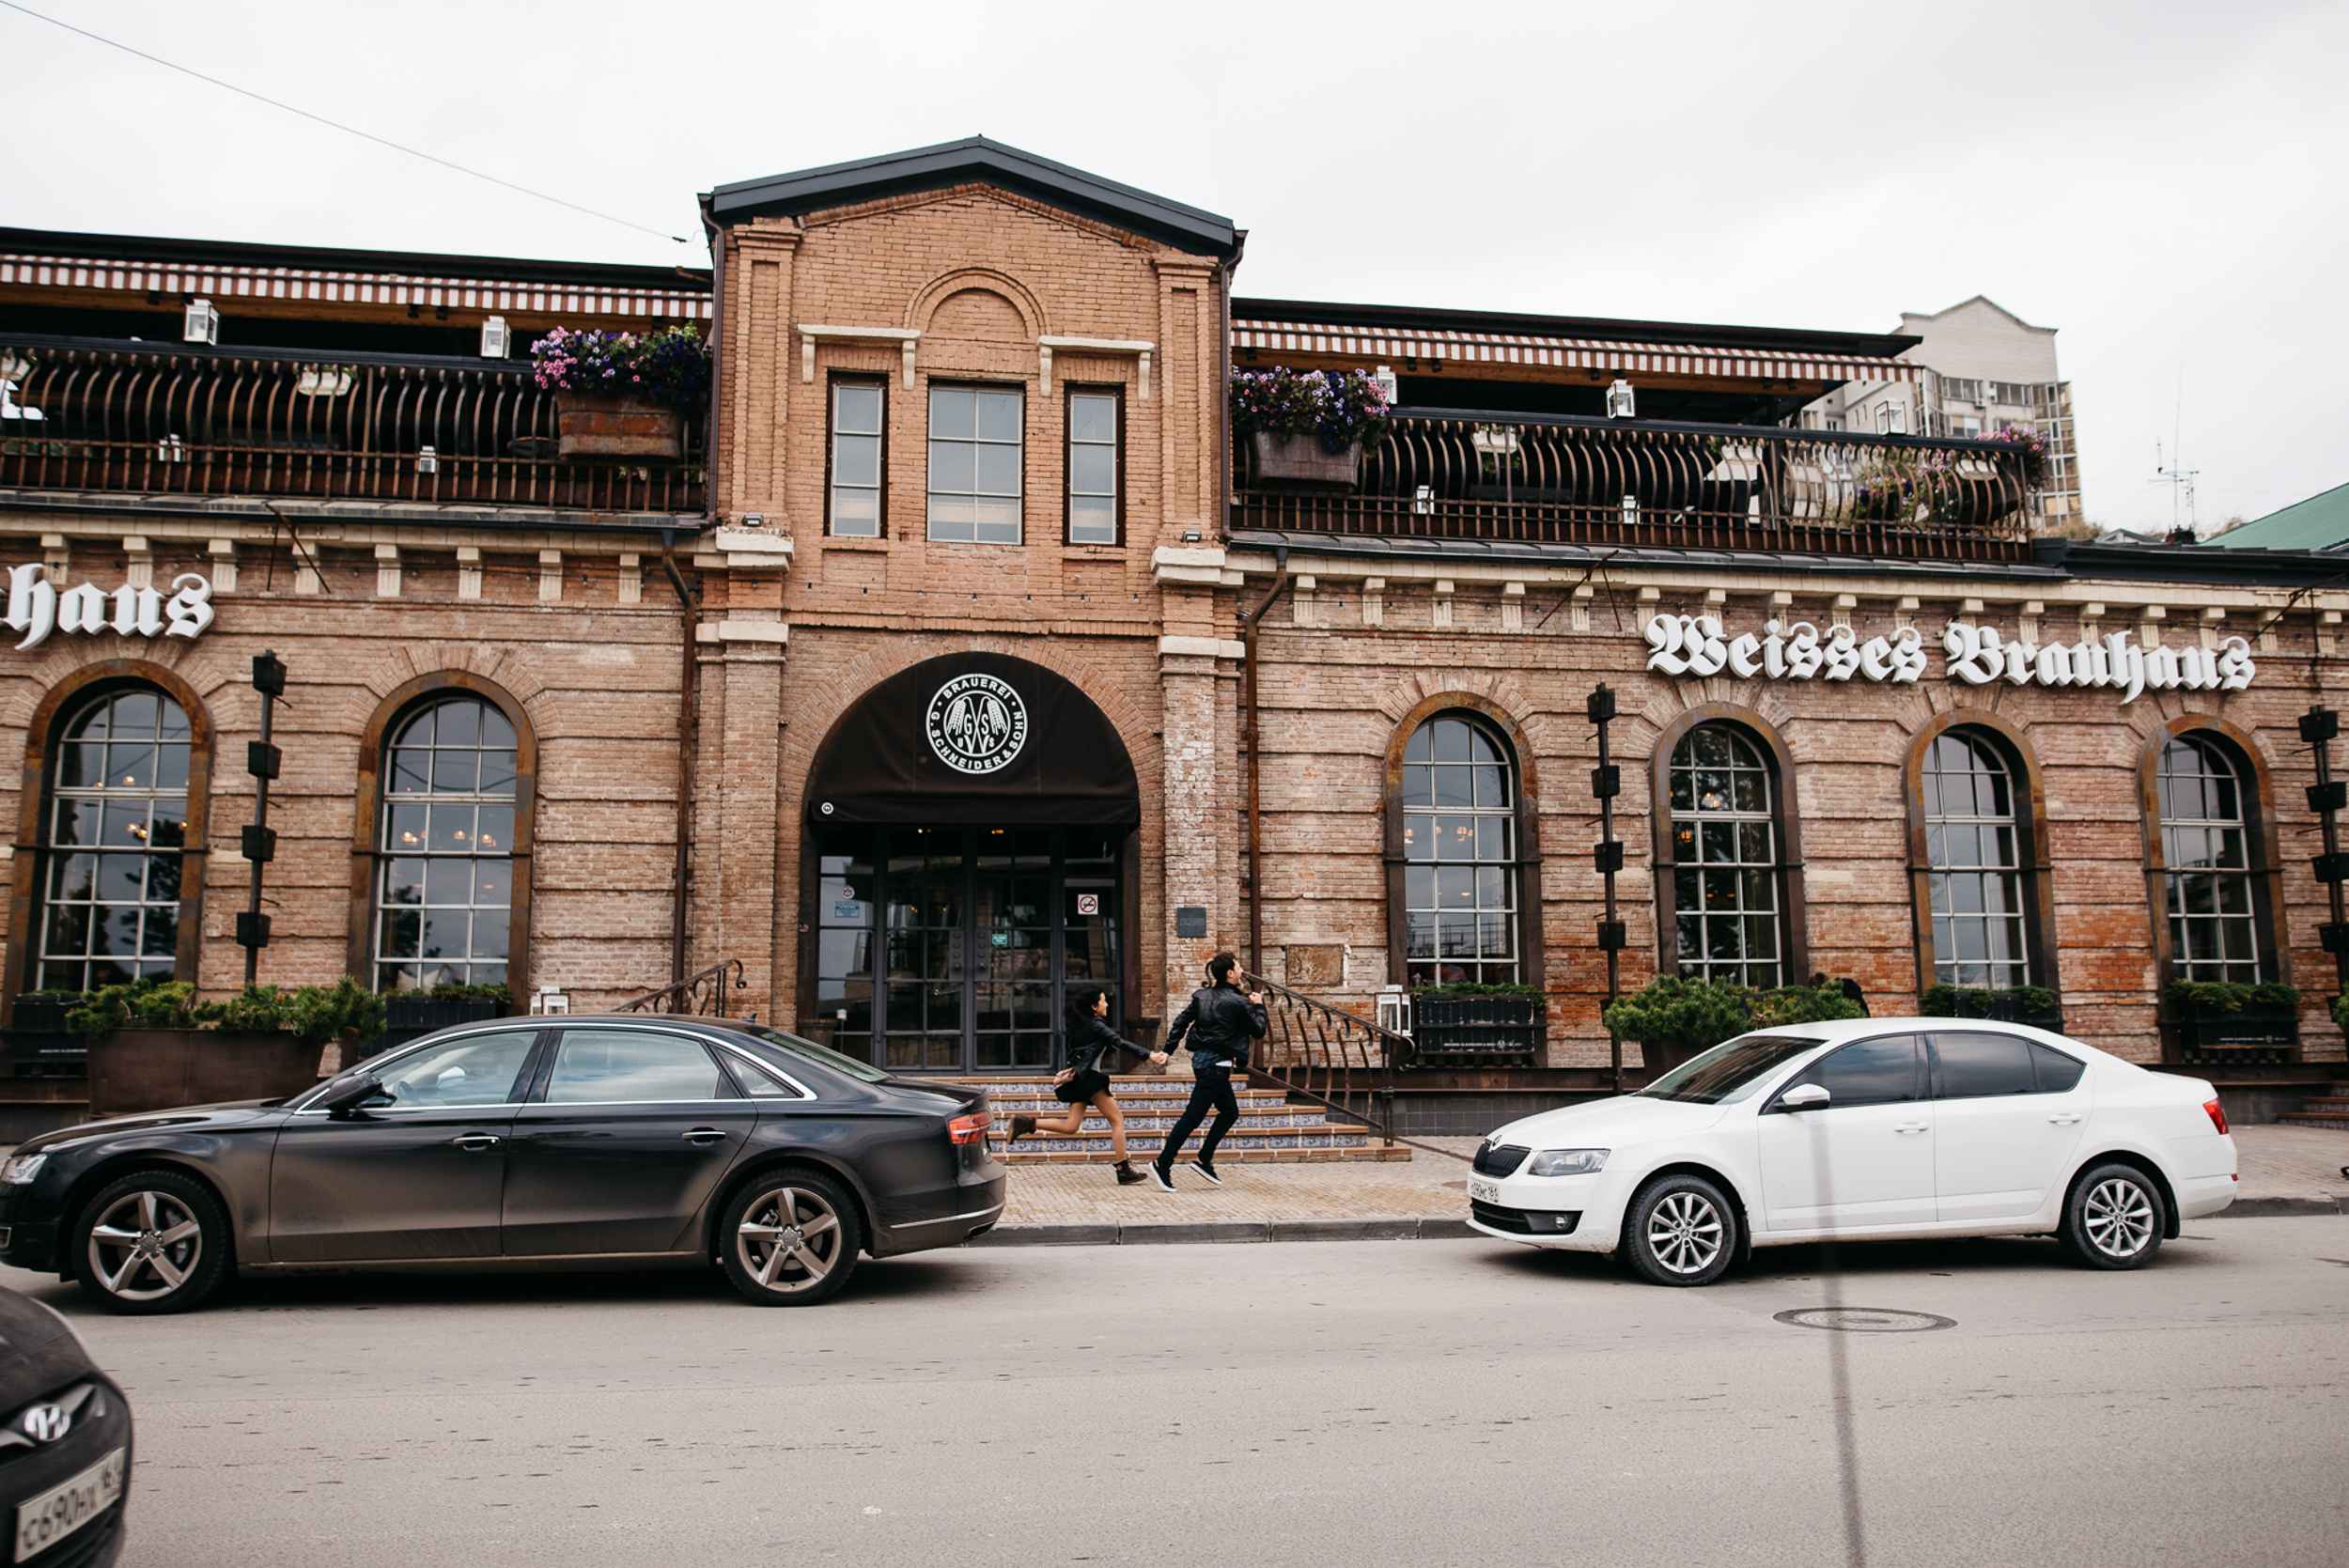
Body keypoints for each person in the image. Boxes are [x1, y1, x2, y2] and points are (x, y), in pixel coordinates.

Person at [1004, 988, 1167, 1184]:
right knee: (1117, 1121)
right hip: (1090, 1079)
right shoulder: (1097, 1024)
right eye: (1103, 1001)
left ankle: (1026, 1122)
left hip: (1081, 1079)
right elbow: (1118, 1041)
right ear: (1094, 1006)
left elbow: (1100, 1047)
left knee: (1071, 1126)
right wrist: (1149, 1053)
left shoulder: (1081, 1025)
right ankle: (1123, 1168)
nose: (1107, 1004)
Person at [1149, 951, 1268, 1191]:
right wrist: (1259, 1007)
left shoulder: (1201, 997)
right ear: (1230, 973)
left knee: (1230, 1112)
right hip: (1214, 1067)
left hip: (1207, 1063)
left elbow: (1180, 1022)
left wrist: (1168, 1050)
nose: (1242, 970)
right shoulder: (1239, 1002)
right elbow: (1258, 1031)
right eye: (1238, 967)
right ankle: (1163, 1163)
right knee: (1193, 1117)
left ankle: (1204, 1159)